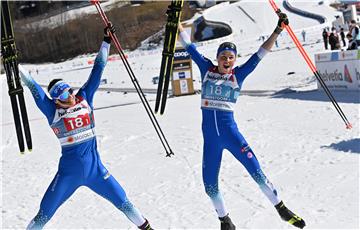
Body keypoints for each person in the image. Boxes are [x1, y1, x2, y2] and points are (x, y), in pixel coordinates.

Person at [178, 12, 305, 230]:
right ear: (217, 58)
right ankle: (225, 220)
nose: (227, 60)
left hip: (231, 135)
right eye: (223, 56)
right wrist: (176, 22)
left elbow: (261, 53)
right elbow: (187, 44)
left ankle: (281, 208)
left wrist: (278, 30)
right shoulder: (205, 69)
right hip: (211, 141)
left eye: (230, 57)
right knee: (209, 185)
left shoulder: (239, 74)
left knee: (256, 171)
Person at [18, 24, 153, 230]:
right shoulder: (52, 111)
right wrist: (14, 65)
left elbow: (98, 69)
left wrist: (106, 41)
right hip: (67, 176)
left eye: (69, 90)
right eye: (63, 95)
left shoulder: (84, 99)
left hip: (96, 172)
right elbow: (33, 87)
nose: (70, 96)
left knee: (124, 202)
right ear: (55, 100)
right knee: (43, 214)